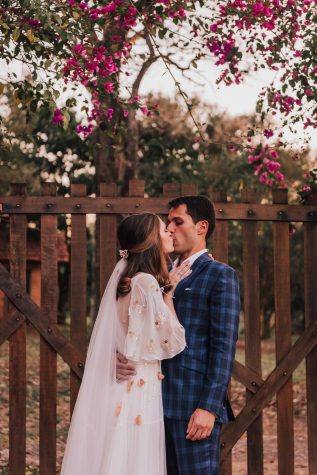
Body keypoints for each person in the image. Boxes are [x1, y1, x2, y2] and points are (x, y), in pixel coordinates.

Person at [117, 196, 240, 474]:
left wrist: (208, 408)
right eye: (168, 222)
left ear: (201, 227)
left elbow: (223, 349)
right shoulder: (153, 276)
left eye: (178, 221)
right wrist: (119, 357)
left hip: (190, 407)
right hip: (147, 405)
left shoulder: (220, 275)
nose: (170, 228)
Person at [61, 212, 192, 475]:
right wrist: (169, 296)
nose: (169, 233)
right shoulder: (146, 283)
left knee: (116, 453)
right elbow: (172, 342)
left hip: (124, 385)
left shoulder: (128, 281)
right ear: (150, 240)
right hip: (138, 388)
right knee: (133, 457)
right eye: (164, 230)